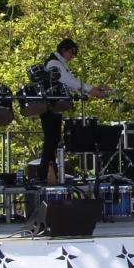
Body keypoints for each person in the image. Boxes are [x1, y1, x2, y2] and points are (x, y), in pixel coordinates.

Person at [38, 38, 106, 183]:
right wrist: (91, 89)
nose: (73, 56)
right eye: (72, 53)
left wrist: (91, 90)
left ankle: (50, 172)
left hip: (54, 106)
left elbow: (72, 83)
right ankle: (44, 174)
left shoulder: (59, 63)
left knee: (54, 139)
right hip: (50, 106)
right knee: (51, 139)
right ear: (64, 50)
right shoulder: (54, 63)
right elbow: (69, 81)